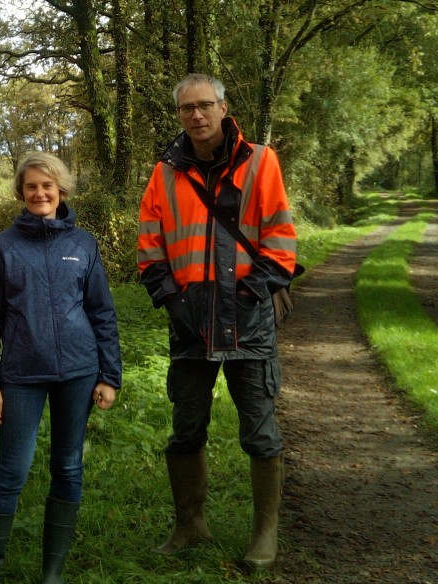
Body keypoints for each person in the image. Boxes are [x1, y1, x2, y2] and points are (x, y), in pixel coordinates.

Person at [137, 73, 297, 571]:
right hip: (189, 321)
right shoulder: (164, 172)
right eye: (187, 108)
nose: (197, 115)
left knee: (260, 433)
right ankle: (190, 525)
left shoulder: (261, 161)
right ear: (179, 115)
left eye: (205, 105)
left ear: (223, 108)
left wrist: (250, 293)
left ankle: (265, 533)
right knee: (186, 429)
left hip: (248, 318)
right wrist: (171, 299)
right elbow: (149, 247)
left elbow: (280, 240)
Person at [0, 151, 122, 584]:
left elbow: (102, 312)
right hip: (21, 375)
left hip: (79, 372)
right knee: (12, 471)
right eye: (31, 186)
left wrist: (109, 375)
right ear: (21, 192)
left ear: (62, 191)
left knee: (68, 468)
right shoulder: (2, 247)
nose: (40, 193)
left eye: (47, 186)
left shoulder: (83, 244)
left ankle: (52, 573)